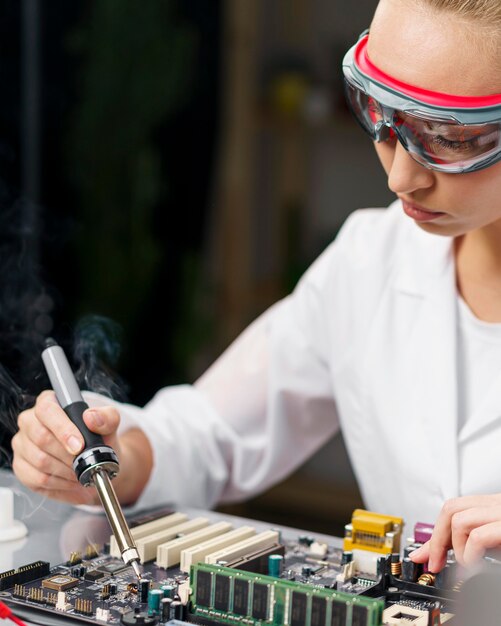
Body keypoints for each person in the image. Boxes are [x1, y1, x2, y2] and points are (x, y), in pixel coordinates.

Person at [10, 0, 501, 575]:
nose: (399, 177)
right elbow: (214, 431)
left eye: (446, 136)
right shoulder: (372, 263)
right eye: (379, 113)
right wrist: (116, 456)